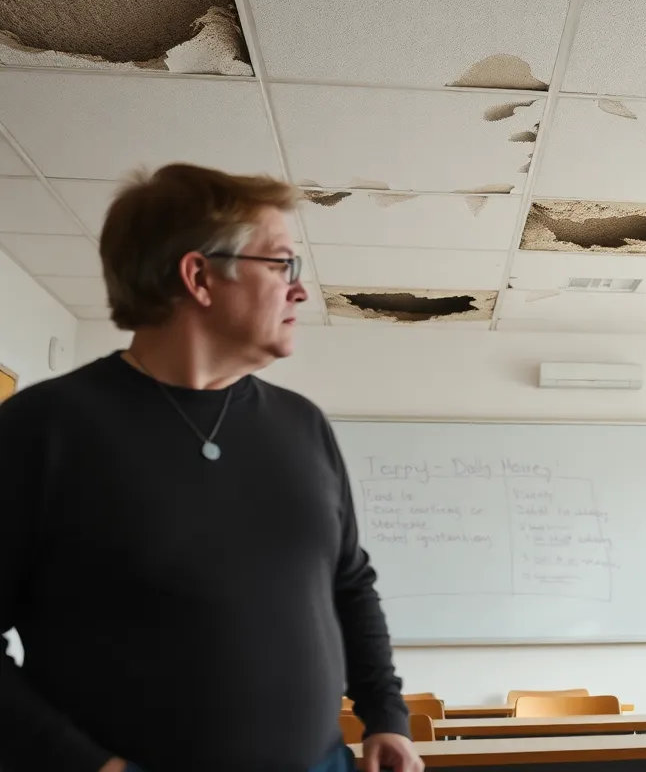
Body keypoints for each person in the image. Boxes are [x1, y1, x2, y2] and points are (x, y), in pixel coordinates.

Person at [0, 164, 423, 772]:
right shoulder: (44, 428)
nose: (302, 290)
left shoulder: (304, 425)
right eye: (282, 265)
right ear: (199, 275)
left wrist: (387, 716)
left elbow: (349, 583)